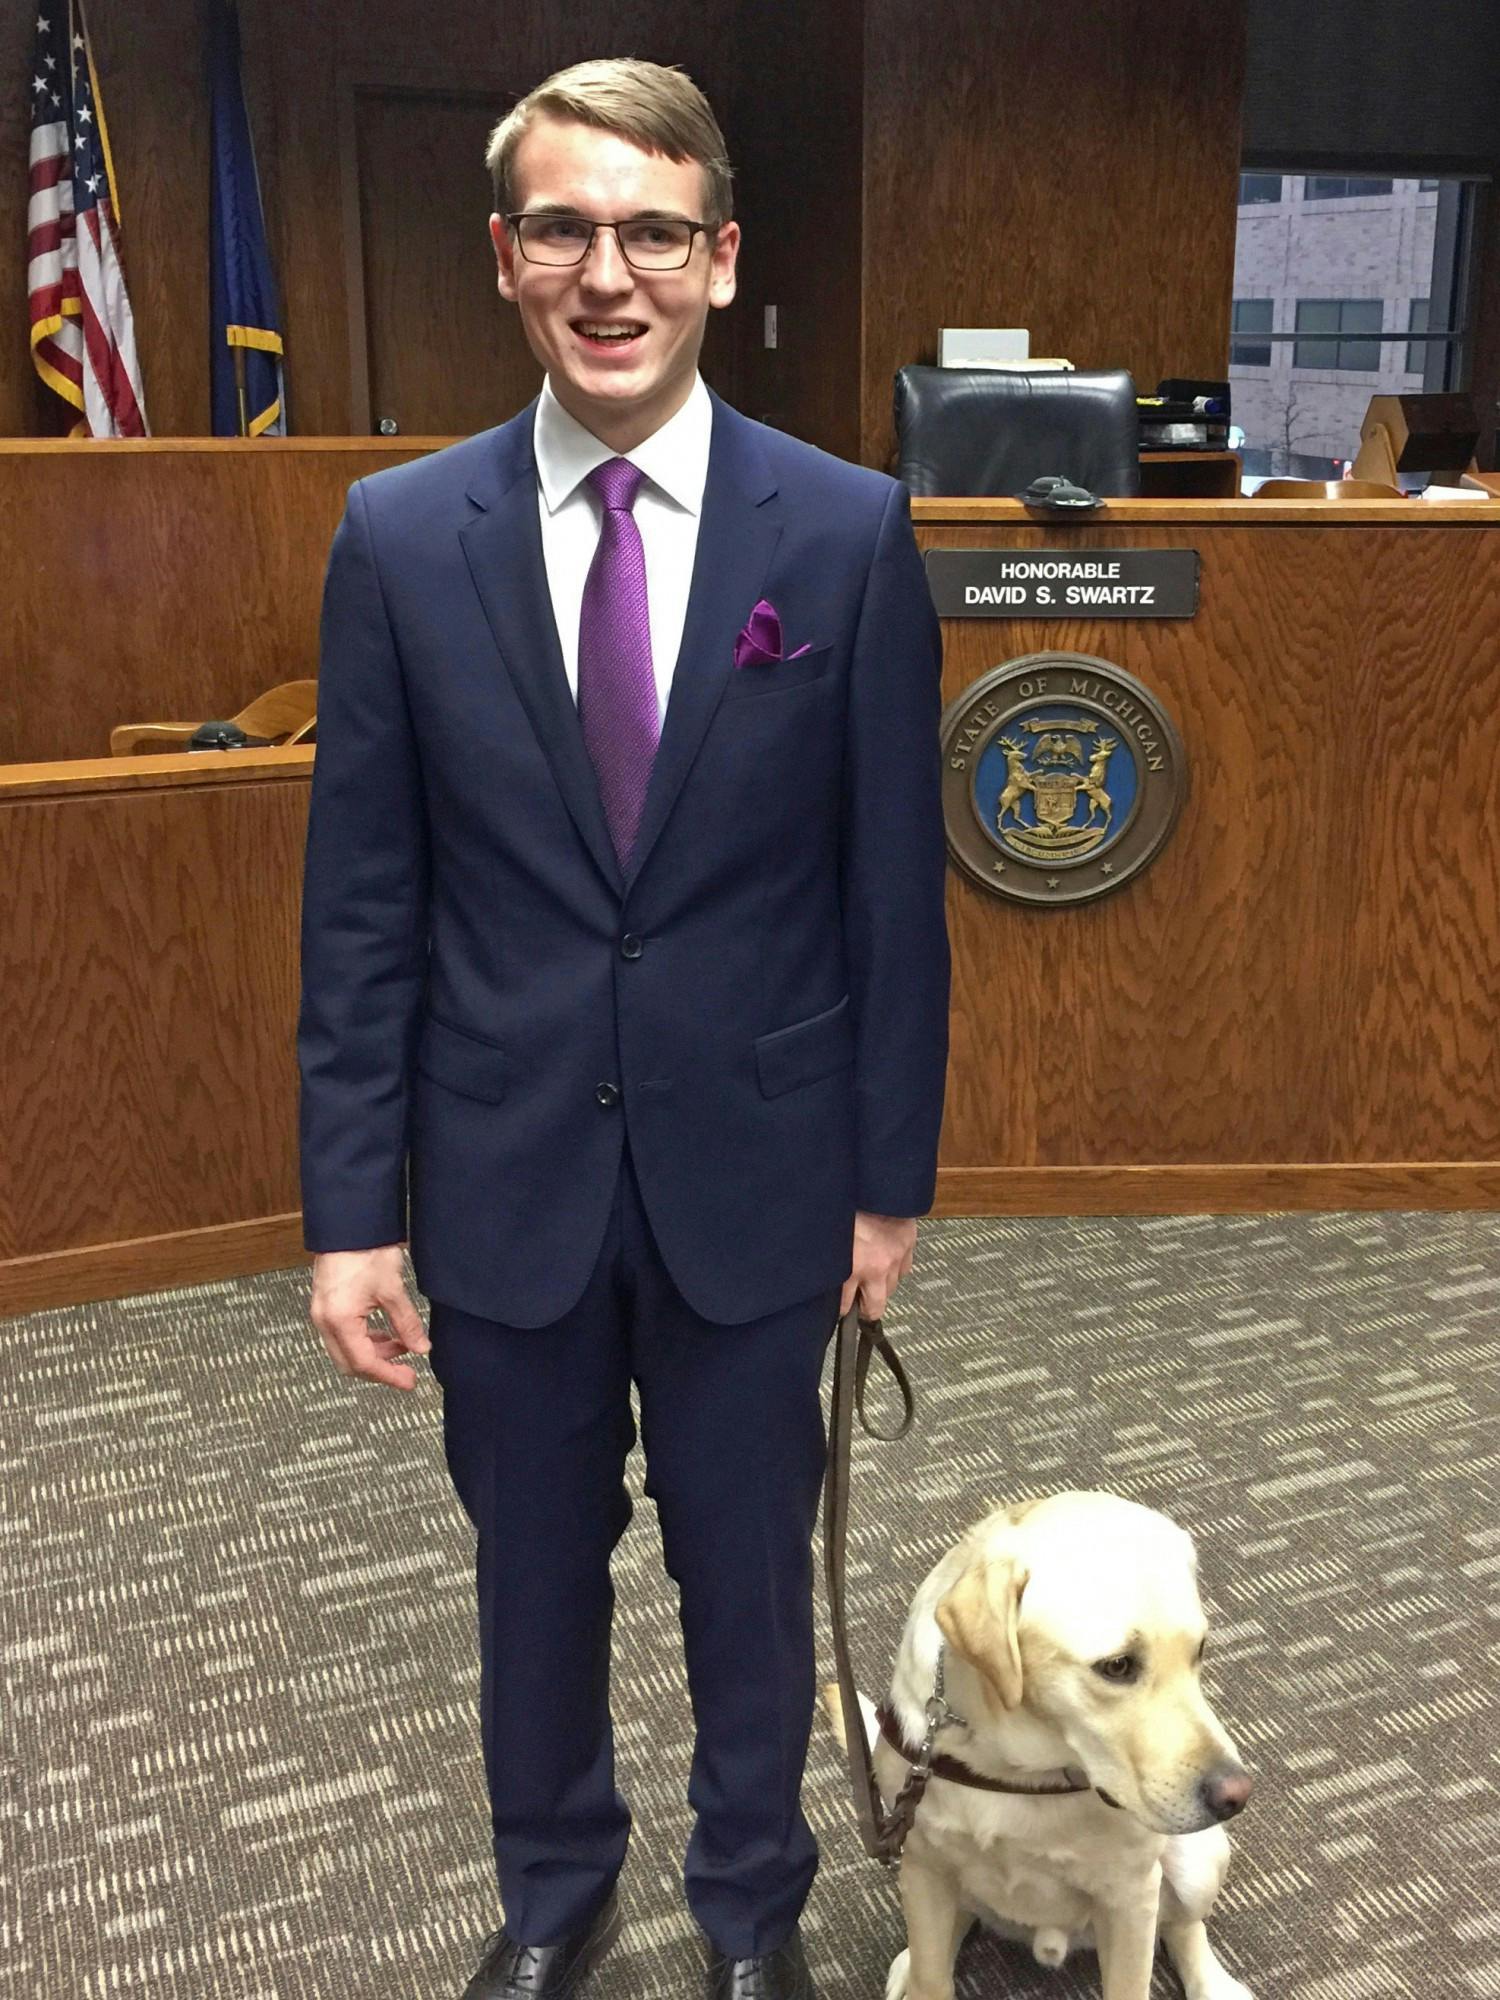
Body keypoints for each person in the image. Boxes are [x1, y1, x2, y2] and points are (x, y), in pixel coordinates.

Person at [298, 57, 949, 2000]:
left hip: (762, 1177)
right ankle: (555, 1889)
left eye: (653, 230)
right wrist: (351, 1211)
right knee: (531, 1579)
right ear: (506, 256)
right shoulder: (401, 539)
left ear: (720, 257)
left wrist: (887, 1184)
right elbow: (362, 905)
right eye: (566, 228)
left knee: (748, 1581)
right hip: (502, 1176)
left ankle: (752, 1906)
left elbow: (890, 904)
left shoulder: (841, 533)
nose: (611, 272)